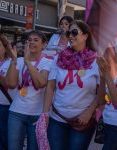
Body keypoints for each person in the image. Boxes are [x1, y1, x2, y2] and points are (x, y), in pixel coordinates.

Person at [43, 20, 104, 150]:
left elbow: (101, 92)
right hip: (57, 119)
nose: (70, 36)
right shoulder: (58, 58)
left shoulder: (96, 61)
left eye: (74, 32)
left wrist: (89, 112)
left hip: (82, 121)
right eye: (68, 32)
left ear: (86, 36)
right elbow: (50, 87)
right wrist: (45, 114)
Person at [6, 30, 53, 150]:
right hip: (16, 112)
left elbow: (41, 83)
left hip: (37, 114)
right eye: (29, 40)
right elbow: (11, 84)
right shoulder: (19, 61)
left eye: (36, 40)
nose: (31, 42)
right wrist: (14, 61)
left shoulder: (48, 62)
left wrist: (27, 62)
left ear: (44, 44)